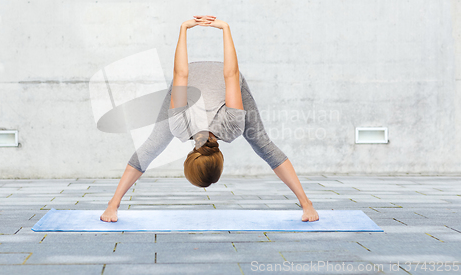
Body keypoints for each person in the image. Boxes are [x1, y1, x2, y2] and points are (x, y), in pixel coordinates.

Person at [101, 15, 319, 223]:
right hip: (201, 80)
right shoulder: (196, 126)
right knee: (261, 144)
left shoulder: (202, 126)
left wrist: (219, 29)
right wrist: (190, 29)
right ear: (189, 156)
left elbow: (192, 75)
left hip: (196, 80)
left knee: (263, 145)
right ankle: (113, 204)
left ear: (221, 158)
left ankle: (307, 204)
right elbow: (215, 75)